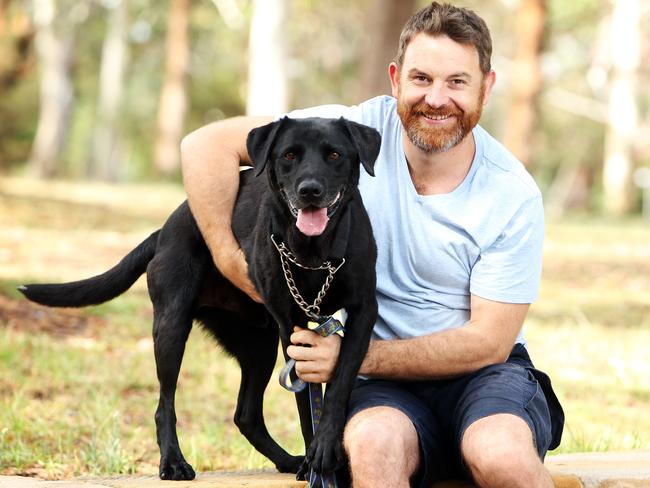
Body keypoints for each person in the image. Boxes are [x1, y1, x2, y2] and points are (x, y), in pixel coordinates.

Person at [180, 2, 564, 487]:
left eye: (457, 82)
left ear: (486, 86)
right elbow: (204, 145)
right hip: (381, 392)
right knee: (373, 446)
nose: (437, 98)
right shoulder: (346, 133)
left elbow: (488, 342)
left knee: (500, 452)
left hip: (484, 376)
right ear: (395, 78)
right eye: (421, 78)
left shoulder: (511, 193)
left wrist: (351, 358)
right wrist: (229, 259)